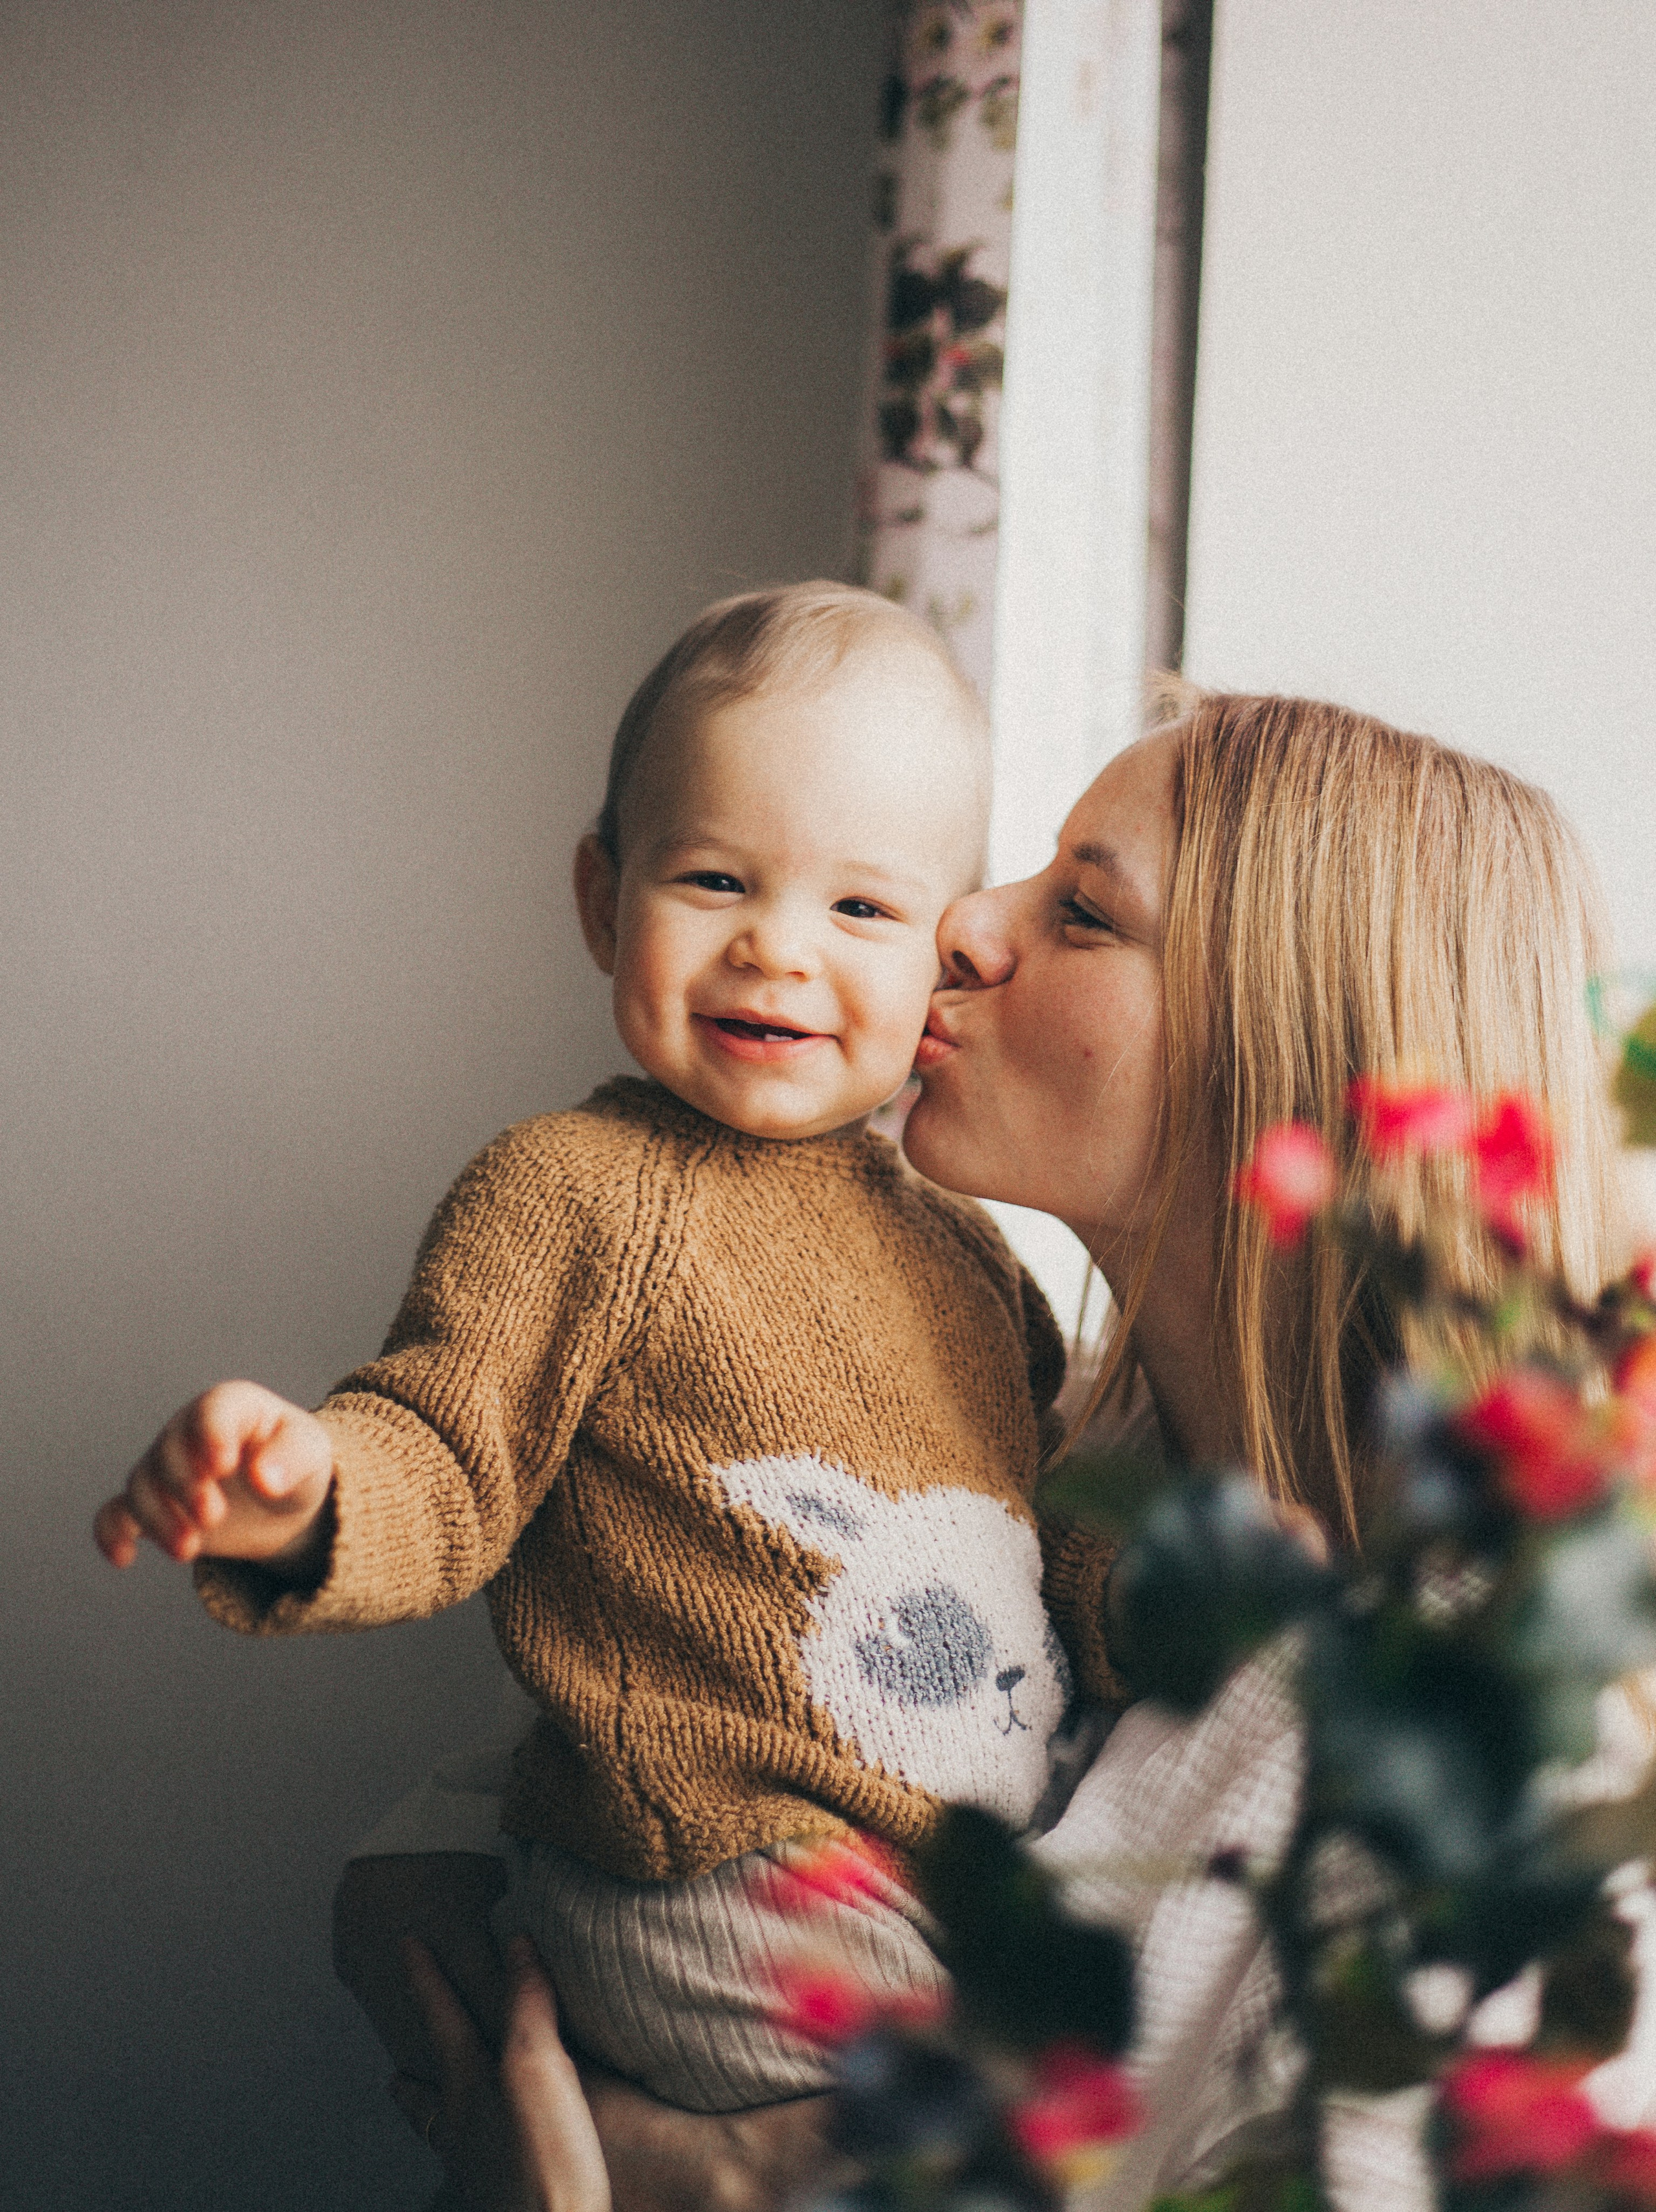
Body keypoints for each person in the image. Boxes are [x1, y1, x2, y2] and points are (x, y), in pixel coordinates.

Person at [396, 688, 1642, 2209]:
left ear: (1289, 1057)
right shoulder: (1048, 1461)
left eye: (1084, 912)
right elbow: (446, 1853)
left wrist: (692, 2173)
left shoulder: (1476, 1764)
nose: (961, 926)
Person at [92, 582, 1122, 2119]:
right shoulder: (574, 1191)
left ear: (937, 962)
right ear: (602, 900)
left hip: (944, 1868)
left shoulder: (964, 1247)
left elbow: (1046, 1529)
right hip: (716, 1869)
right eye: (715, 880)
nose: (776, 950)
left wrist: (1180, 1600)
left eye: (858, 908)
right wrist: (306, 1494)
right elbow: (442, 1451)